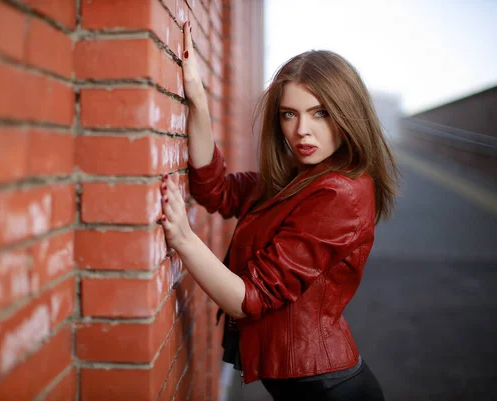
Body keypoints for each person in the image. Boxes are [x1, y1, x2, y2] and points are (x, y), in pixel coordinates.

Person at [159, 21, 399, 401]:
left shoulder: (340, 193)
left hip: (330, 391)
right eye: (289, 114)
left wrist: (184, 239)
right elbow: (216, 190)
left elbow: (247, 298)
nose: (302, 129)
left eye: (320, 113)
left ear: (348, 114)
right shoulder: (299, 177)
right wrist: (197, 100)